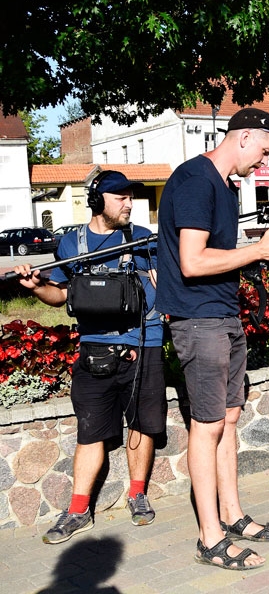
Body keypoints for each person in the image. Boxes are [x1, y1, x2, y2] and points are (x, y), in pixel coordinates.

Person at [156, 108, 269, 570]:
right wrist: (255, 250)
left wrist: (261, 253)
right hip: (199, 321)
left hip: (222, 315)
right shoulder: (196, 180)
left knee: (229, 420)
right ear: (244, 137)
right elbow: (193, 262)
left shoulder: (223, 185)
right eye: (264, 150)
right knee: (208, 424)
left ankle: (232, 515)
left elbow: (219, 256)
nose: (263, 161)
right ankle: (209, 536)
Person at [14, 170, 165, 544]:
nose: (129, 204)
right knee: (90, 431)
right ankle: (78, 509)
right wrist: (36, 288)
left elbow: (165, 285)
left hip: (143, 344)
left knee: (142, 424)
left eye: (131, 197)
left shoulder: (145, 240)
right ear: (98, 202)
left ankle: (137, 494)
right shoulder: (71, 244)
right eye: (121, 198)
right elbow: (62, 295)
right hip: (94, 348)